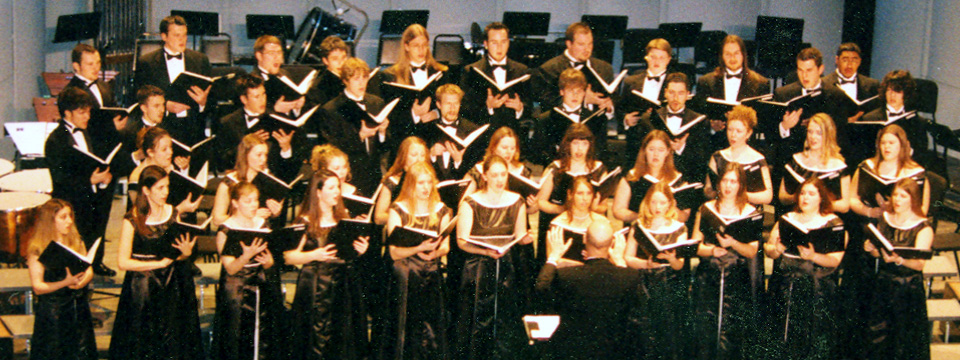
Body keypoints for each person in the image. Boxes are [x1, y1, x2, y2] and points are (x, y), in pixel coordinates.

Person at [108, 165, 202, 360]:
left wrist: (185, 253)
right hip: (143, 286)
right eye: (160, 188)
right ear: (146, 190)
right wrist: (158, 264)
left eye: (167, 187)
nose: (166, 192)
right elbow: (123, 262)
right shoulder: (132, 219)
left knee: (172, 338)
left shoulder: (173, 212)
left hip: (171, 284)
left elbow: (177, 255)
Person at [284, 170, 371, 359]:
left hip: (343, 285)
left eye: (337, 187)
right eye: (331, 188)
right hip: (316, 288)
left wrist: (360, 250)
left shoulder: (344, 217)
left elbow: (347, 253)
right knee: (317, 339)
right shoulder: (305, 220)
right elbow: (289, 257)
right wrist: (314, 254)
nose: (336, 192)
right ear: (317, 192)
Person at [456, 155, 531, 359]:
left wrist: (526, 239)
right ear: (485, 176)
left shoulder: (517, 201)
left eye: (503, 175)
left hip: (505, 265)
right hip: (478, 268)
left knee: (505, 317)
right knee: (477, 318)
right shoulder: (470, 202)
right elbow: (461, 241)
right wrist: (485, 252)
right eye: (494, 175)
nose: (499, 180)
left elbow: (520, 235)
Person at [764, 178, 846, 359]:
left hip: (816, 289)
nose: (805, 198)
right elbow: (769, 250)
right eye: (802, 193)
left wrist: (813, 256)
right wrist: (776, 249)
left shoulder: (833, 223)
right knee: (783, 334)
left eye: (811, 194)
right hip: (787, 286)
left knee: (812, 337)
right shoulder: (786, 219)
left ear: (820, 198)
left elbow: (835, 260)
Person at [535, 220, 636, 360]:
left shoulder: (568, 276)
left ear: (584, 238)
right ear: (613, 242)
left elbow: (541, 287)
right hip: (615, 351)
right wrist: (619, 261)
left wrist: (554, 256)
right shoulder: (629, 277)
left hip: (573, 351)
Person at [690, 163, 761, 359]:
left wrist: (734, 243)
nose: (728, 186)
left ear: (741, 185)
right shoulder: (706, 209)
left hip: (736, 278)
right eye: (725, 180)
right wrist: (712, 249)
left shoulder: (750, 212)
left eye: (734, 181)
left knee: (732, 331)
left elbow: (752, 251)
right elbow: (695, 246)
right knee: (706, 329)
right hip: (709, 276)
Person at [384, 162, 453, 359]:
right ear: (410, 185)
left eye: (429, 182)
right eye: (420, 183)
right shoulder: (398, 210)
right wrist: (419, 248)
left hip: (431, 271)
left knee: (432, 325)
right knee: (406, 324)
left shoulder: (441, 210)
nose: (425, 188)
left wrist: (435, 253)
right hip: (406, 275)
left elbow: (446, 246)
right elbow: (394, 253)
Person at [44, 87, 116, 276]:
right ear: (67, 113)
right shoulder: (55, 141)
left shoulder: (87, 133)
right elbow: (60, 180)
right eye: (82, 112)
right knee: (74, 252)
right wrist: (89, 180)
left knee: (94, 237)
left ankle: (95, 264)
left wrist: (103, 178)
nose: (87, 117)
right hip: (71, 204)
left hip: (91, 200)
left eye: (88, 112)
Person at [212, 182, 285, 360]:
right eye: (248, 201)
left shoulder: (263, 225)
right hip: (236, 290)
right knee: (236, 337)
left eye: (256, 200)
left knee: (263, 336)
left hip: (261, 285)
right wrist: (246, 256)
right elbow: (230, 267)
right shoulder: (225, 230)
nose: (254, 205)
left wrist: (269, 262)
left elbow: (271, 261)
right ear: (235, 203)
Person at [863, 178, 932, 360]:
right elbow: (880, 252)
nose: (897, 200)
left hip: (908, 288)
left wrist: (899, 260)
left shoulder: (923, 227)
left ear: (912, 199)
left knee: (904, 339)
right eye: (895, 195)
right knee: (878, 336)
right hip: (884, 284)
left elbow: (919, 264)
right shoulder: (885, 219)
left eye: (903, 196)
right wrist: (871, 249)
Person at [623, 181, 688, 360]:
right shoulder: (639, 226)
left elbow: (680, 265)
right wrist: (646, 264)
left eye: (662, 202)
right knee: (643, 332)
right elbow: (627, 258)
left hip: (668, 285)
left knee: (666, 332)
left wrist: (671, 258)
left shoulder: (679, 228)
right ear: (647, 202)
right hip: (643, 284)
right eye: (653, 202)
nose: (657, 207)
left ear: (669, 203)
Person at [25, 199, 97, 360]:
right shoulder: (37, 249)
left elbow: (89, 269)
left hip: (78, 310)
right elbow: (38, 287)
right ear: (50, 221)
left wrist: (82, 282)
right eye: (63, 217)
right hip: (54, 314)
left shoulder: (76, 241)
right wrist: (66, 282)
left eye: (70, 216)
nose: (69, 221)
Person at [537, 124, 608, 267]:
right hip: (559, 226)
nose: (580, 149)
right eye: (575, 143)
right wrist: (562, 209)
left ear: (590, 146)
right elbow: (541, 202)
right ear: (567, 145)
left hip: (587, 229)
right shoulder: (554, 168)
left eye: (584, 144)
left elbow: (604, 206)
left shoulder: (599, 169)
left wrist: (593, 208)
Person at [769, 47, 850, 171]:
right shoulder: (783, 94)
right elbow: (770, 135)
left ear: (820, 69)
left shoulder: (837, 96)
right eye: (800, 70)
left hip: (824, 163)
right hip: (790, 163)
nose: (804, 76)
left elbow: (841, 136)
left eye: (809, 70)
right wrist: (784, 127)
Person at [320, 57, 391, 197]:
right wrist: (360, 136)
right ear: (345, 81)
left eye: (365, 78)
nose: (362, 83)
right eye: (356, 79)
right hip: (347, 175)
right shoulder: (331, 109)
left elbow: (384, 147)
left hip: (373, 174)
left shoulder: (376, 103)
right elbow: (332, 149)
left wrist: (382, 132)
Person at [692, 35, 771, 152]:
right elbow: (697, 117)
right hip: (715, 146)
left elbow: (764, 121)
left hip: (746, 147)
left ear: (743, 55)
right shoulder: (706, 82)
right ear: (722, 57)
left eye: (736, 53)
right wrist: (711, 126)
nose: (732, 58)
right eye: (728, 54)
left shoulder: (760, 83)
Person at [216, 74, 302, 178]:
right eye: (257, 97)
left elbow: (287, 168)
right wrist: (246, 145)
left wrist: (286, 148)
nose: (262, 100)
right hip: (241, 178)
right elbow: (221, 163)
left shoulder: (277, 119)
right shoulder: (228, 122)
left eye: (264, 94)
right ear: (244, 99)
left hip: (270, 179)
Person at [379, 24, 450, 145]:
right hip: (405, 139)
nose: (421, 50)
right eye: (416, 46)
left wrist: (437, 113)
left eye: (424, 45)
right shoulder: (391, 75)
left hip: (434, 140)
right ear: (406, 46)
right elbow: (390, 116)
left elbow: (452, 103)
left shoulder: (441, 72)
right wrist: (414, 114)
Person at [459, 22, 531, 141]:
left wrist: (520, 108)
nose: (499, 47)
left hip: (512, 138)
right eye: (494, 42)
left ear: (508, 43)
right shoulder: (471, 71)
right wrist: (488, 107)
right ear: (486, 44)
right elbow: (465, 110)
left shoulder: (522, 70)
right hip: (484, 139)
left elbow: (530, 107)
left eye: (503, 42)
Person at [631, 72, 710, 179]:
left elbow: (702, 158)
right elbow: (638, 151)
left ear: (687, 95)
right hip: (653, 177)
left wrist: (681, 148)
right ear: (665, 93)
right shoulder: (649, 118)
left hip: (684, 178)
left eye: (680, 93)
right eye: (672, 92)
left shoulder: (699, 121)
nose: (675, 98)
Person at [134, 15, 212, 121]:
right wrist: (165, 106)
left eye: (184, 35)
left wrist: (203, 102)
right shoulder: (147, 62)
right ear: (164, 36)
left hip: (194, 125)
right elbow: (139, 97)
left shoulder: (200, 60)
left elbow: (212, 99)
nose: (182, 39)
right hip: (162, 125)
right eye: (177, 35)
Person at [532, 68, 612, 165]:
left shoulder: (597, 119)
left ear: (584, 93)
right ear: (562, 91)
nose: (575, 95)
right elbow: (536, 153)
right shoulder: (546, 119)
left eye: (579, 91)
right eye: (570, 91)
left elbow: (601, 151)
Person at [613, 130, 691, 224]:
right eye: (651, 149)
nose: (656, 154)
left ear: (667, 152)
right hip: (638, 229)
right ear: (644, 151)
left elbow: (685, 216)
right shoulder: (632, 177)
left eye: (661, 150)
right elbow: (618, 210)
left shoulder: (678, 180)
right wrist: (643, 218)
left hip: (668, 232)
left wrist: (671, 208)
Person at [778, 113, 851, 213]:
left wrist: (818, 201)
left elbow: (844, 206)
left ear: (828, 135)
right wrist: (800, 197)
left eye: (819, 133)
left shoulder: (839, 167)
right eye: (810, 132)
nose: (813, 137)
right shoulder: (795, 160)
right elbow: (782, 197)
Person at [534, 22, 615, 111]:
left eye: (590, 44)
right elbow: (547, 104)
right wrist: (584, 100)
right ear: (569, 44)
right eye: (581, 44)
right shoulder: (549, 69)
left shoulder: (605, 68)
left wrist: (609, 106)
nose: (587, 49)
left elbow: (615, 101)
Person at [211, 134, 286, 227]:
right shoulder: (229, 182)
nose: (263, 159)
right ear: (246, 155)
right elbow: (217, 219)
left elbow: (271, 215)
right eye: (259, 155)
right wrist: (250, 216)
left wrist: (276, 212)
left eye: (265, 155)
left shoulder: (269, 180)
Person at [856, 70, 928, 166]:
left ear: (906, 94)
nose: (892, 95)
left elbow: (921, 153)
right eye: (889, 90)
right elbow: (863, 153)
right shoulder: (869, 118)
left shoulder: (917, 121)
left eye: (897, 91)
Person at [705, 105, 773, 205]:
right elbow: (707, 189)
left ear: (748, 133)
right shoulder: (718, 157)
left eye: (739, 131)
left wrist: (741, 194)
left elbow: (768, 196)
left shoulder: (758, 160)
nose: (733, 135)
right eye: (730, 130)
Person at [620, 38, 673, 163]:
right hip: (637, 141)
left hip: (663, 142)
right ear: (646, 57)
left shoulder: (674, 82)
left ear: (669, 60)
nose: (657, 61)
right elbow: (621, 108)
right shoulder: (631, 81)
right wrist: (626, 119)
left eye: (661, 57)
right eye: (653, 57)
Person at [65, 43, 126, 152]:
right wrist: (111, 127)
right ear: (76, 66)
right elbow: (80, 125)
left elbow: (113, 109)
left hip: (110, 147)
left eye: (98, 63)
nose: (96, 68)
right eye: (90, 64)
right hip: (90, 149)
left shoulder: (104, 85)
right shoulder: (71, 92)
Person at [549, 176, 612, 268]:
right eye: (580, 193)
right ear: (570, 194)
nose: (585, 198)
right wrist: (586, 265)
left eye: (589, 193)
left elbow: (612, 257)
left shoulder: (602, 223)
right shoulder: (557, 224)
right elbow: (552, 261)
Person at [425, 84, 483, 181]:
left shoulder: (472, 130)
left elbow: (476, 167)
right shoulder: (428, 129)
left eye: (456, 103)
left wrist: (459, 161)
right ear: (439, 105)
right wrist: (431, 155)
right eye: (448, 104)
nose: (452, 108)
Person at [374, 137, 428, 225]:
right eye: (414, 155)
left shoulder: (428, 180)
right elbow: (378, 217)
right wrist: (404, 218)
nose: (419, 159)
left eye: (422, 155)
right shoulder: (392, 181)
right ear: (404, 156)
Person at [251, 35, 308, 117]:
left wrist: (297, 107)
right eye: (271, 53)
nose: (277, 57)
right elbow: (250, 113)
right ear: (259, 56)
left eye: (279, 52)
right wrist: (274, 110)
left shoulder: (286, 75)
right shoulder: (252, 80)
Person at [823, 42, 881, 121]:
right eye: (845, 60)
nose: (849, 65)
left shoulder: (872, 85)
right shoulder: (824, 83)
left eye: (854, 60)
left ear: (859, 61)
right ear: (837, 60)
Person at [306, 35, 351, 110]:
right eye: (335, 59)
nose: (341, 63)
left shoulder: (351, 78)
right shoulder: (319, 87)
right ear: (325, 61)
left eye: (343, 57)